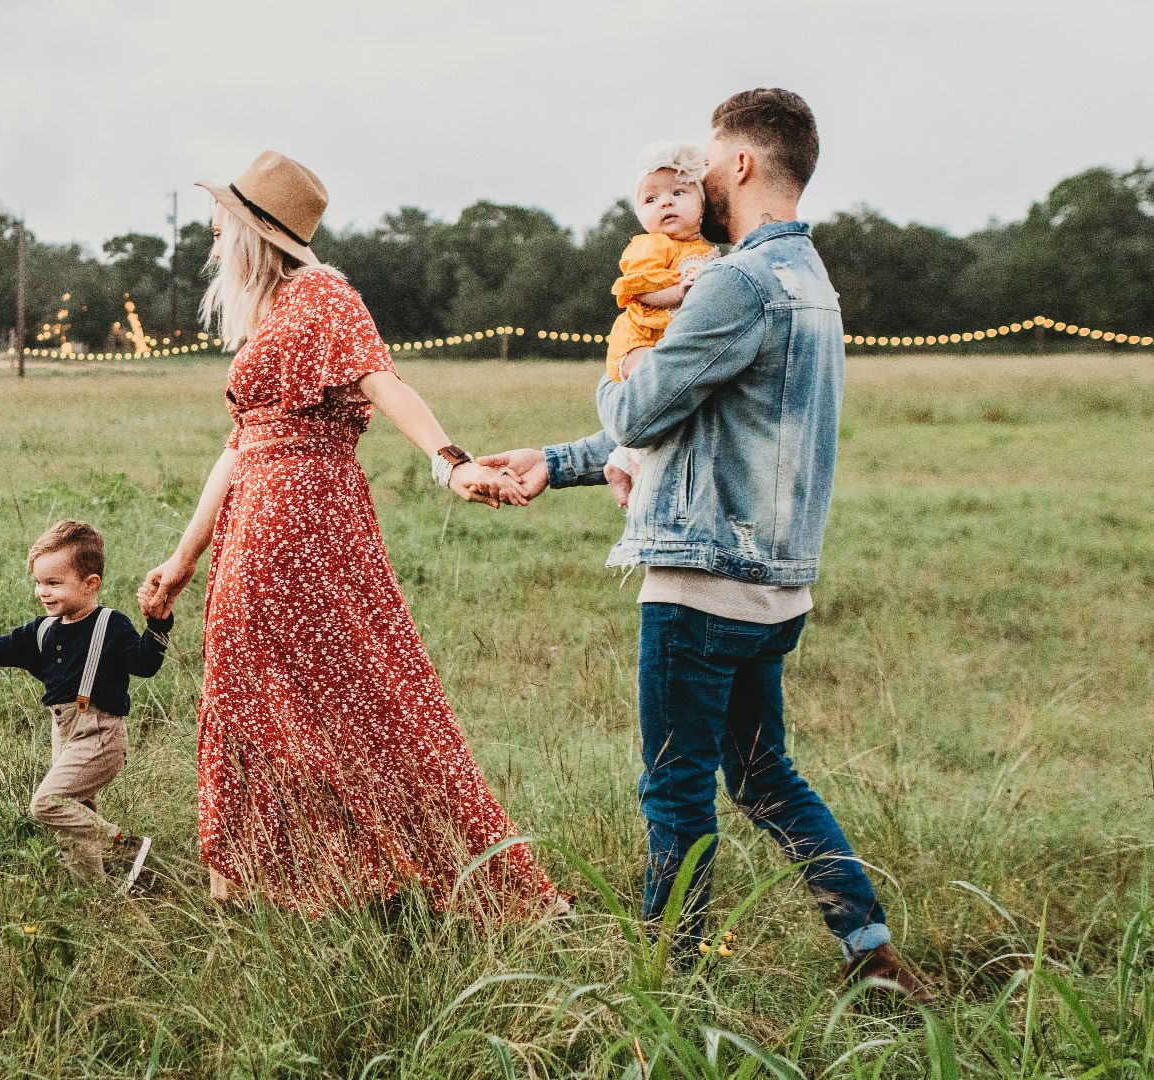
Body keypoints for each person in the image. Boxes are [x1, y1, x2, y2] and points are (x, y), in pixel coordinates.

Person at [483, 90, 931, 998]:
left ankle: (666, 981)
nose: (694, 179)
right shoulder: (811, 282)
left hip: (701, 582)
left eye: (707, 162)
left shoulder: (734, 281)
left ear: (742, 166)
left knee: (674, 788)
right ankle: (870, 951)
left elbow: (644, 407)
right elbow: (702, 422)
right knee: (765, 776)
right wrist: (558, 462)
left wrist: (619, 371)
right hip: (775, 586)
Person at [137, 150, 562, 922]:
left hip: (302, 518)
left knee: (362, 694)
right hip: (257, 519)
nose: (210, 234)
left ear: (254, 231)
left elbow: (384, 380)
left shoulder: (323, 295)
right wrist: (183, 557)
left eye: (221, 221)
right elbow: (239, 446)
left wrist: (450, 462)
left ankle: (404, 871)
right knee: (253, 692)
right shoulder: (269, 313)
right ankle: (269, 877)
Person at [0, 520, 169, 893]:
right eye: (39, 582)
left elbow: (145, 665)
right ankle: (96, 896)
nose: (43, 591)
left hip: (101, 733)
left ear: (91, 584)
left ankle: (125, 846)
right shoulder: (42, 630)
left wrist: (158, 625)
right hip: (64, 732)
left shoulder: (110, 624)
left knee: (48, 804)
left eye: (54, 583)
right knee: (75, 820)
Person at [602, 141, 718, 498]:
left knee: (672, 401)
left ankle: (619, 462)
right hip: (640, 339)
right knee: (649, 392)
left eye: (678, 193)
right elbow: (639, 290)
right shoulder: (650, 245)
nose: (664, 203)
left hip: (669, 342)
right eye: (650, 199)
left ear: (701, 203)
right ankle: (635, 463)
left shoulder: (707, 252)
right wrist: (677, 293)